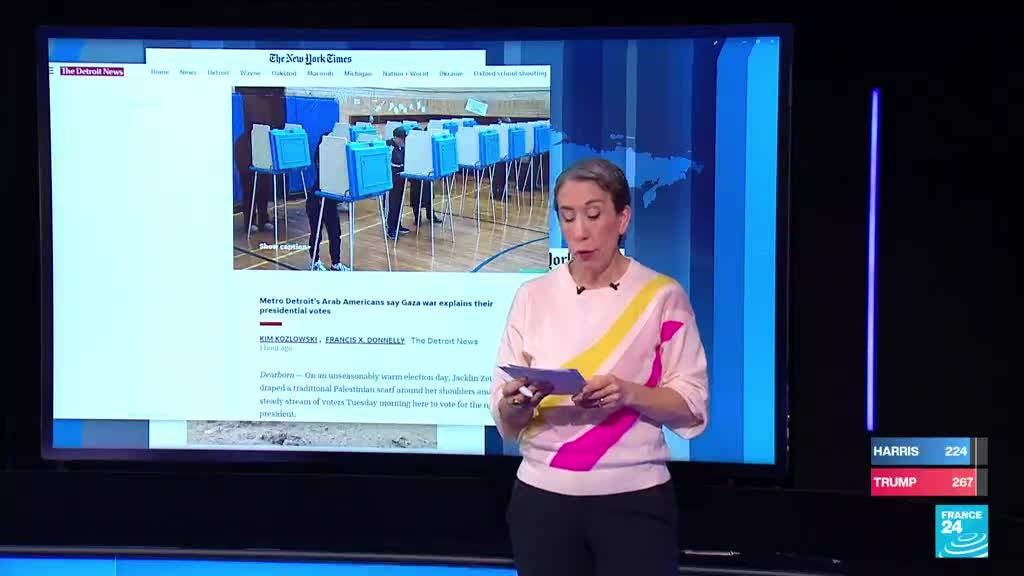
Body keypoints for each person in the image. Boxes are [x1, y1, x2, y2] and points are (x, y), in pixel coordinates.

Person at [490, 157, 710, 576]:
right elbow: (507, 421)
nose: (579, 231)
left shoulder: (662, 296)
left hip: (635, 503)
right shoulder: (531, 296)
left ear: (622, 218)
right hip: (541, 503)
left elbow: (693, 407)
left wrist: (629, 393)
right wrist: (516, 402)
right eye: (567, 217)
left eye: (593, 215)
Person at [305, 131, 347, 271]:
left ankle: (336, 263)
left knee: (335, 233)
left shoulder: (334, 160)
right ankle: (315, 262)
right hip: (316, 200)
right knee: (316, 233)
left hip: (329, 202)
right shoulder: (322, 158)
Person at [385, 127, 411, 238]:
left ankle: (397, 224)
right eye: (401, 139)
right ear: (395, 137)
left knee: (400, 203)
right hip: (392, 180)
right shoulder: (388, 146)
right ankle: (390, 228)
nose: (402, 141)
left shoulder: (402, 147)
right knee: (392, 205)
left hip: (401, 178)